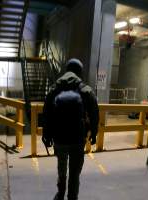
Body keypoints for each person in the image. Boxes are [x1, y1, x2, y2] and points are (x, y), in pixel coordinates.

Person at [42, 58, 99, 200]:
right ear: (79, 72)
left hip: (59, 137)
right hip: (78, 138)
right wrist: (94, 133)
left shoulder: (54, 89)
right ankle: (72, 196)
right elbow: (94, 113)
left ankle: (60, 191)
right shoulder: (85, 90)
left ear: (66, 70)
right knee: (75, 172)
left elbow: (46, 113)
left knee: (61, 166)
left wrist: (46, 135)